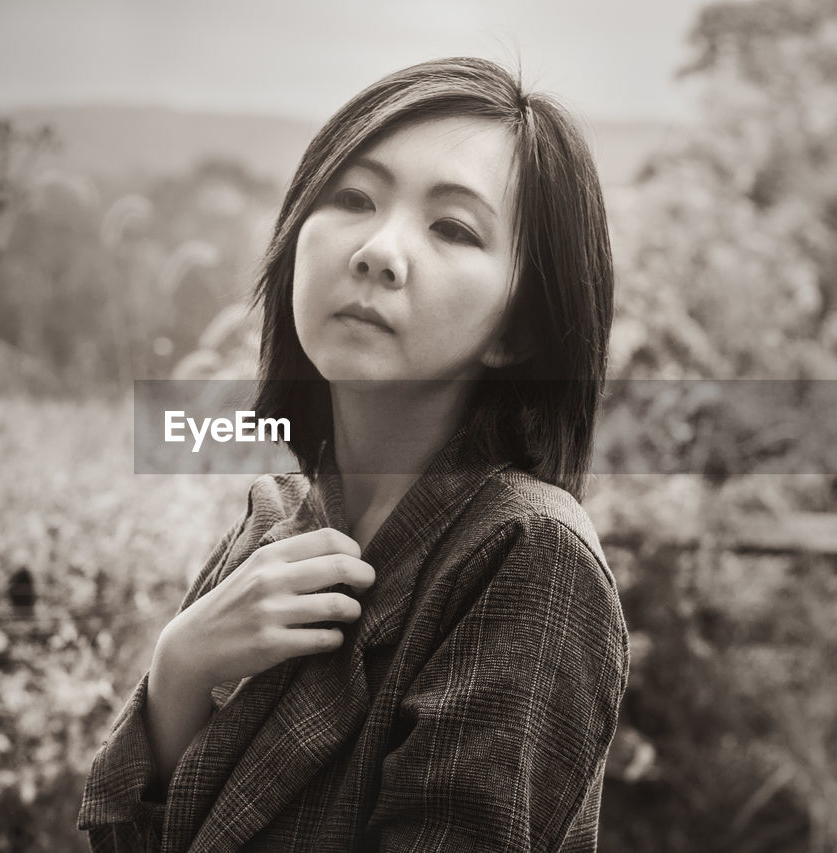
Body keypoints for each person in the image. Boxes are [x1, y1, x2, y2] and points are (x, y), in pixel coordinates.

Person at [78, 56, 629, 852]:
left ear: (520, 331)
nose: (378, 250)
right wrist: (181, 666)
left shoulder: (528, 555)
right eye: (353, 198)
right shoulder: (278, 523)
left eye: (453, 228)